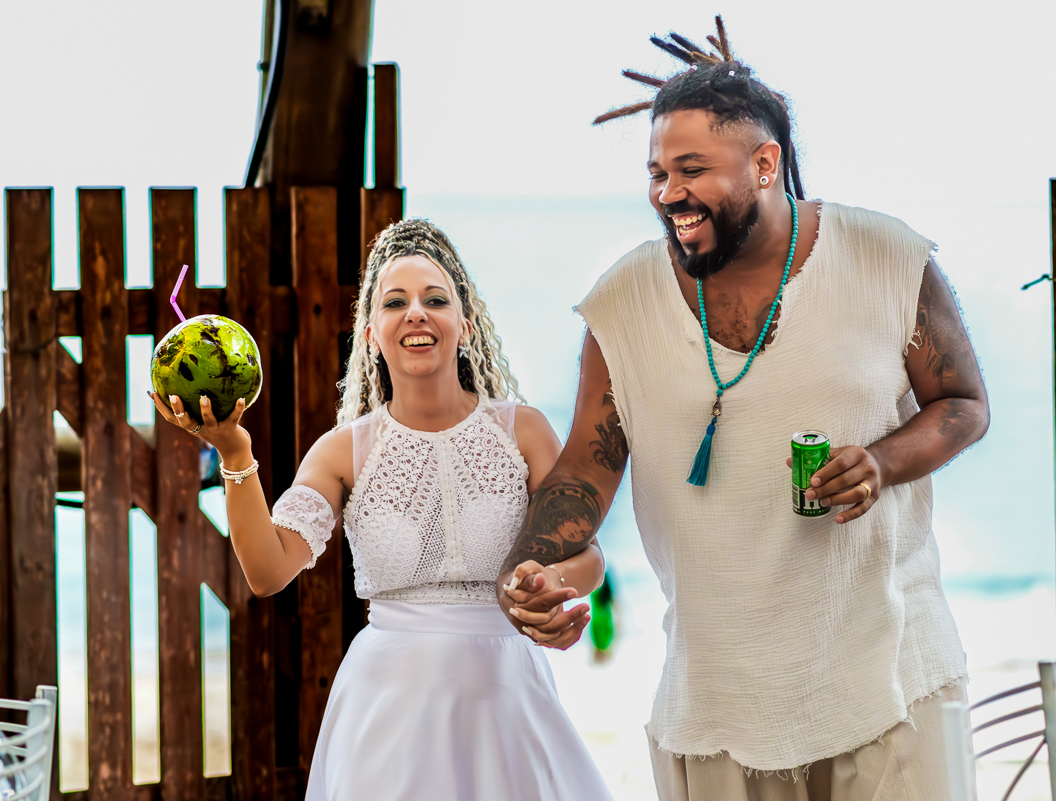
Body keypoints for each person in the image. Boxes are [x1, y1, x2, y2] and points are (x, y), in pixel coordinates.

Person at [496, 17, 989, 801]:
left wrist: (881, 460)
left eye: (691, 169)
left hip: (893, 690)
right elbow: (585, 470)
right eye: (657, 172)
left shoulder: (886, 258)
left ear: (765, 165)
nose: (668, 194)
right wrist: (528, 571)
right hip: (715, 705)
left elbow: (963, 403)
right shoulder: (623, 304)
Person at [153, 220, 612, 800]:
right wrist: (235, 452)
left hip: (511, 702)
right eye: (395, 302)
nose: (416, 312)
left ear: (464, 327)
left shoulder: (524, 432)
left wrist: (551, 582)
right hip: (386, 715)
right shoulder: (343, 452)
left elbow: (588, 555)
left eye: (435, 299)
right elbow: (268, 571)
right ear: (370, 334)